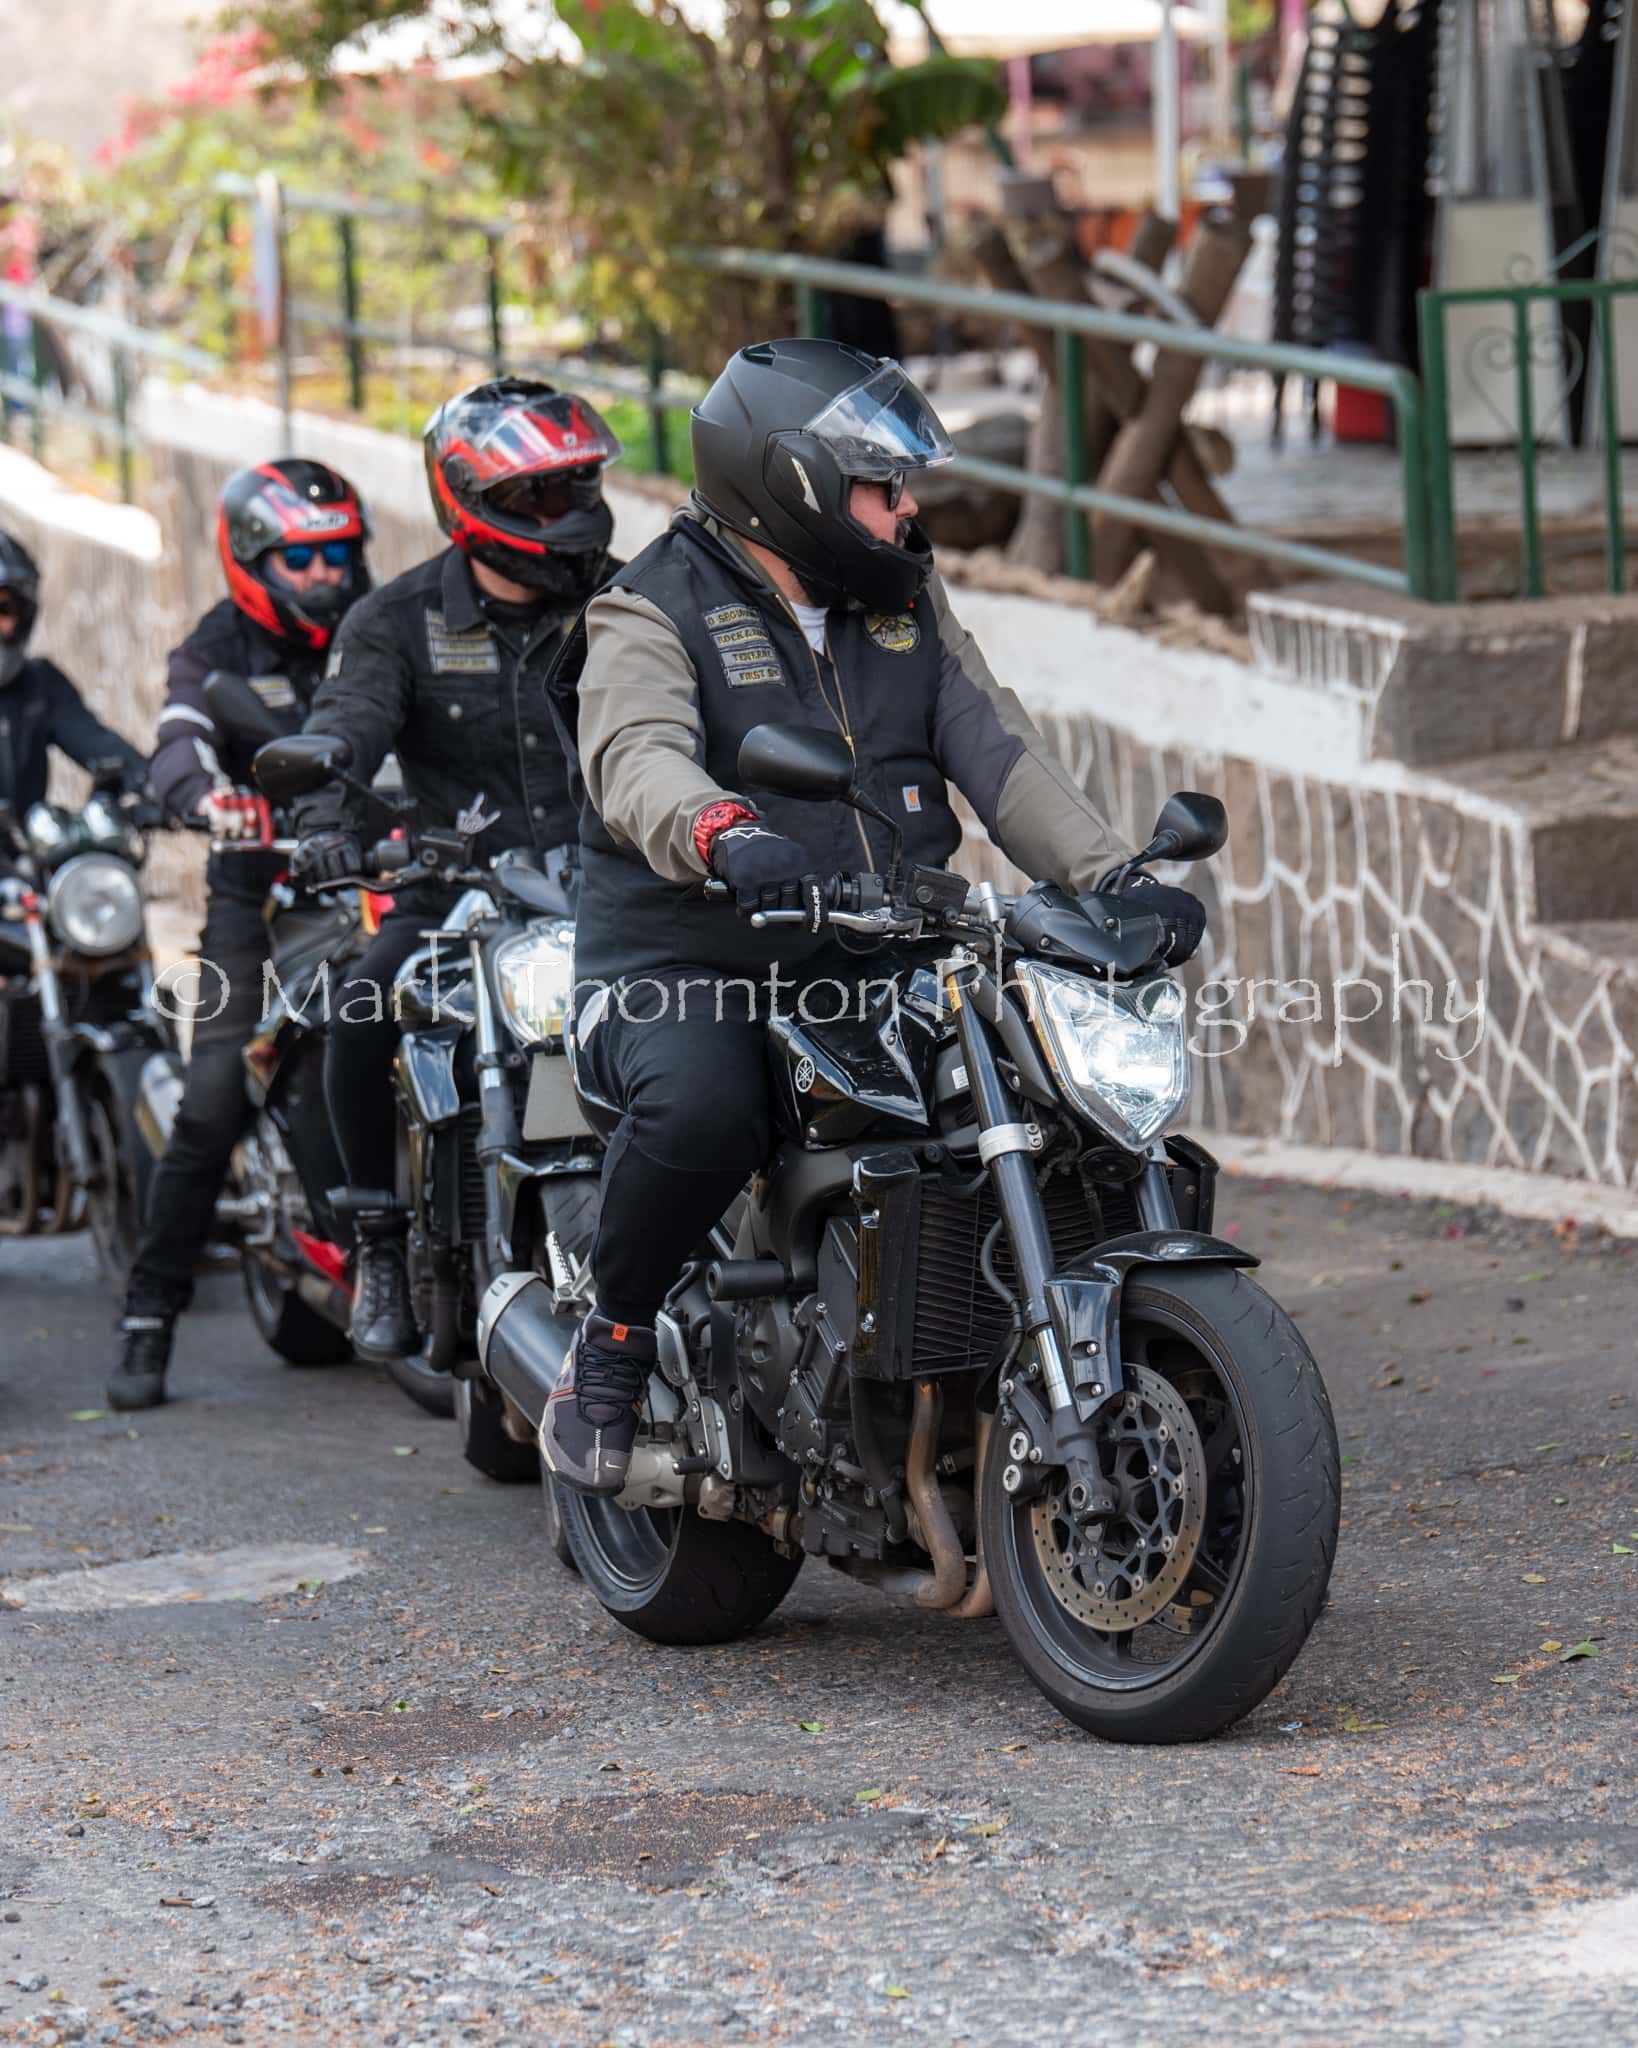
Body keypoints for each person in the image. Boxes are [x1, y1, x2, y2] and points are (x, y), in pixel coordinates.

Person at [539, 337, 1207, 1496]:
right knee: (704, 1107)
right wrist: (723, 831)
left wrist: (1113, 879)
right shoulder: (650, 607)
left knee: (1058, 1095)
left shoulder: (905, 601)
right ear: (790, 481)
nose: (908, 509)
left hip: (890, 941)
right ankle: (613, 1337)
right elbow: (636, 757)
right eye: (882, 486)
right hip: (691, 956)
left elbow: (1001, 752)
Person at [289, 377, 623, 1360]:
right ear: (470, 500)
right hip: (455, 894)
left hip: (617, 886)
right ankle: (379, 1241)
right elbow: (343, 728)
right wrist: (324, 822)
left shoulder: (636, 598)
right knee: (360, 1009)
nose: (563, 512)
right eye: (536, 495)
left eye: (575, 486)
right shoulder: (394, 621)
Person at [108, 459, 371, 1410]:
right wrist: (208, 798)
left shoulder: (381, 625)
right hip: (257, 890)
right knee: (216, 1094)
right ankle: (149, 1315)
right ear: (252, 559)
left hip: (381, 879)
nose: (324, 574)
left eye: (338, 553)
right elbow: (177, 740)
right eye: (300, 558)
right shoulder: (214, 648)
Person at [0, 528, 146, 811]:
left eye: (5, 608)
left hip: (27, 838)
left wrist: (153, 784)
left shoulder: (39, 685)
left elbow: (100, 745)